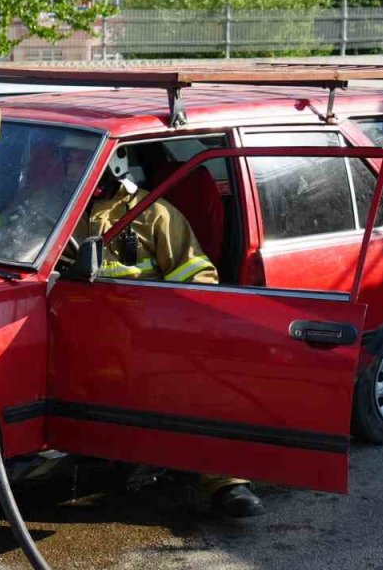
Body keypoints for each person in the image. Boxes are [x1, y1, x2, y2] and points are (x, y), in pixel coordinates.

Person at [73, 147, 266, 518]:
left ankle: (226, 482)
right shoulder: (56, 212)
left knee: (199, 389)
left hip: (146, 339)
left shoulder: (153, 214)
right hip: (83, 335)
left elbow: (199, 279)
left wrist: (164, 325)